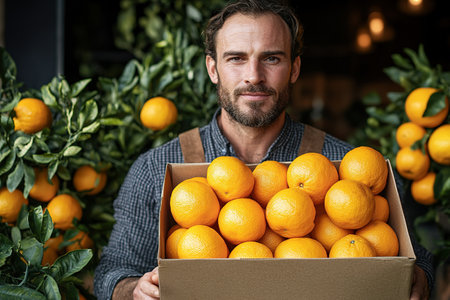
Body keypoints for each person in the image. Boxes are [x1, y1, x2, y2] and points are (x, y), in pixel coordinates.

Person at [94, 1, 433, 299]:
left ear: (294, 69)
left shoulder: (349, 168)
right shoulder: (155, 168)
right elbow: (112, 272)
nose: (253, 76)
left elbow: (417, 261)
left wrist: (418, 280)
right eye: (236, 59)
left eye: (271, 58)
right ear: (213, 69)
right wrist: (132, 290)